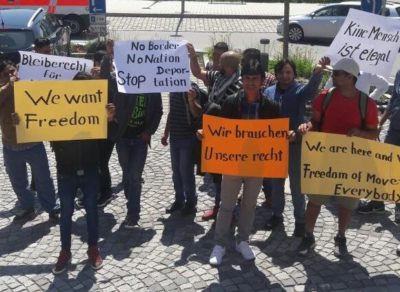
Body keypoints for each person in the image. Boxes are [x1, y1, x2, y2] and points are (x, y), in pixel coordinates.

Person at [296, 58, 379, 257]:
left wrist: (360, 133)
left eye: (336, 73)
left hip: (352, 162)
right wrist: (307, 127)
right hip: (323, 159)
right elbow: (315, 122)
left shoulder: (367, 103)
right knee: (314, 201)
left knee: (346, 204)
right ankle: (308, 236)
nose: (332, 76)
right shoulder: (325, 97)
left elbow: (374, 133)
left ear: (350, 77)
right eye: (333, 73)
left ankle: (341, 236)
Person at [205, 59, 281, 265]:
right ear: (243, 79)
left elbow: (276, 136)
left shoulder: (272, 107)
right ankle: (219, 244)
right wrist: (207, 135)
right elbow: (220, 130)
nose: (250, 83)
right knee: (226, 205)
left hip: (257, 164)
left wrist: (288, 135)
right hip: (233, 162)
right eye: (247, 78)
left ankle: (242, 241)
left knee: (249, 206)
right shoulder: (230, 102)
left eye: (255, 79)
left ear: (262, 81)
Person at [50, 72, 115, 274]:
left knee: (92, 210)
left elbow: (111, 137)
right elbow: (42, 127)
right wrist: (22, 121)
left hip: (90, 169)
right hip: (66, 171)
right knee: (66, 212)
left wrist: (110, 120)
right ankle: (65, 251)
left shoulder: (98, 111)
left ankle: (93, 248)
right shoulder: (59, 110)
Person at [263, 57, 329, 236]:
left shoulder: (299, 90)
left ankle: (300, 220)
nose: (285, 76)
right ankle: (277, 214)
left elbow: (311, 91)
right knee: (276, 183)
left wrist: (317, 73)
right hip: (275, 147)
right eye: (281, 72)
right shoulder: (268, 92)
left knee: (296, 185)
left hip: (295, 144)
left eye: (289, 72)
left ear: (294, 74)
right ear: (276, 74)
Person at [187, 43, 242, 221]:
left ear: (229, 67)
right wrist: (193, 56)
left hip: (229, 137)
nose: (216, 62)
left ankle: (230, 210)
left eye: (220, 61)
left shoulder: (239, 85)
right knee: (216, 175)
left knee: (229, 177)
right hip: (212, 133)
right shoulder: (218, 76)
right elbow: (197, 73)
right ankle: (220, 208)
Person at [0, 59, 59, 222]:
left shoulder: (27, 84)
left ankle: (52, 207)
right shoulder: (4, 90)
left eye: (13, 71)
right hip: (11, 145)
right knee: (18, 180)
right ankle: (27, 207)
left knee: (43, 178)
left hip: (33, 142)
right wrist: (9, 86)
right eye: (6, 74)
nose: (12, 75)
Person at [111, 82, 163, 228]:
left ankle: (133, 214)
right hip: (123, 138)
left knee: (134, 176)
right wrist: (107, 60)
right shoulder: (123, 83)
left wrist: (149, 131)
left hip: (140, 140)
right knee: (127, 175)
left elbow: (158, 111)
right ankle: (132, 199)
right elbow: (109, 80)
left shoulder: (153, 88)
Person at [356, 70, 400, 220]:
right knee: (382, 165)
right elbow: (393, 100)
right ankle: (377, 202)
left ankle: (398, 208)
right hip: (394, 127)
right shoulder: (399, 73)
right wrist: (380, 123)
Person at [162, 83, 203, 216]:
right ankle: (179, 199)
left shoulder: (192, 88)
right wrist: (166, 132)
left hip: (187, 138)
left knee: (186, 172)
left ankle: (191, 202)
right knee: (176, 172)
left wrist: (191, 100)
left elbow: (197, 112)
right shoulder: (172, 87)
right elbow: (171, 112)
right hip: (175, 137)